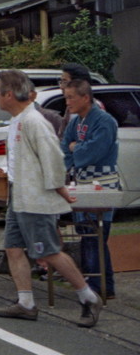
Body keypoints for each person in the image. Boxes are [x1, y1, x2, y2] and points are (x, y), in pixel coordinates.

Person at [0, 70, 103, 327]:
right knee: (13, 247)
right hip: (18, 194)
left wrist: (59, 187)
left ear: (9, 94)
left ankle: (88, 296)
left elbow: (52, 157)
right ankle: (26, 302)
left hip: (35, 197)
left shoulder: (34, 120)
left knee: (48, 250)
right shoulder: (18, 119)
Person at [61, 78, 120, 298]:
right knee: (86, 234)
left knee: (97, 234)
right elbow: (64, 149)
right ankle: (101, 285)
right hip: (81, 182)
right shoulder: (75, 122)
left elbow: (92, 152)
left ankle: (100, 285)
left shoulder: (105, 121)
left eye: (70, 97)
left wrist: (77, 148)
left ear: (85, 97)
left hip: (102, 183)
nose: (67, 102)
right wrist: (75, 150)